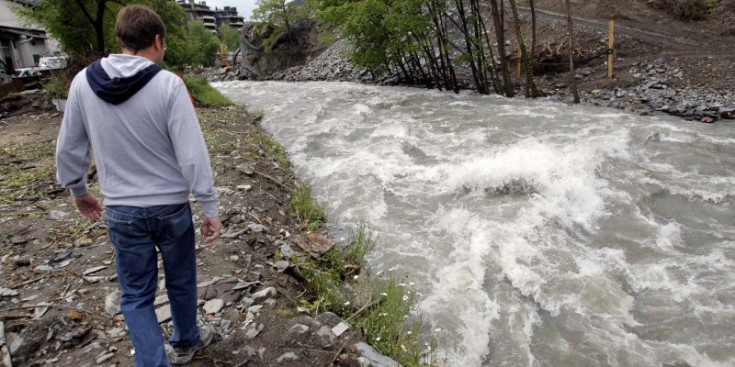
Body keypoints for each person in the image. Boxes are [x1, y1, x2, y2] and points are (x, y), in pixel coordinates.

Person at [55, 5, 222, 366]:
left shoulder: (83, 82)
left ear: (121, 40)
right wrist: (209, 205)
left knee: (135, 295)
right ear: (157, 41)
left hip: (122, 209)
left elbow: (70, 145)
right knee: (180, 281)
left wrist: (78, 189)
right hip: (171, 207)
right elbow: (192, 155)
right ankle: (186, 339)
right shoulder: (168, 85)